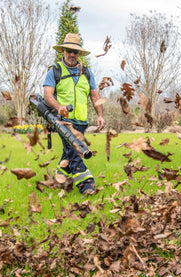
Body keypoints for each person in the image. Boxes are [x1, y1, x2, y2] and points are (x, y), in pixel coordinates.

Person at [43, 33, 105, 195]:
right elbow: (47, 95)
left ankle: (58, 180)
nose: (71, 54)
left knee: (69, 153)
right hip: (63, 121)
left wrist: (100, 115)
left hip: (82, 121)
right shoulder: (54, 71)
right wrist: (59, 107)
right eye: (69, 50)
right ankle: (86, 184)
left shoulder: (87, 73)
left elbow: (94, 95)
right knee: (76, 151)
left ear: (79, 54)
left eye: (75, 52)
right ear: (63, 50)